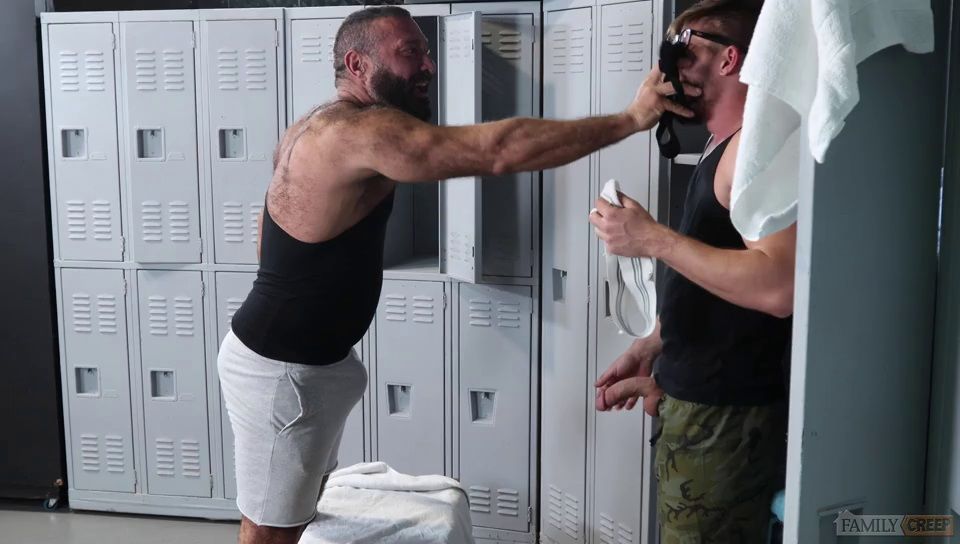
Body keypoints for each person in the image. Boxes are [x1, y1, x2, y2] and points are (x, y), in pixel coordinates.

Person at [217, 5, 698, 544]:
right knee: (270, 532)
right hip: (285, 371)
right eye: (409, 53)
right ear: (357, 64)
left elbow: (270, 222)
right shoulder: (359, 132)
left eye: (426, 52)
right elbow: (498, 151)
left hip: (306, 363)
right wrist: (630, 119)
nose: (427, 65)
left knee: (296, 513)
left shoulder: (315, 125)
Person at [589, 1, 795, 542]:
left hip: (724, 420)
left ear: (729, 59)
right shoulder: (718, 145)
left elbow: (778, 286)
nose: (671, 67)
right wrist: (653, 343)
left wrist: (651, 239)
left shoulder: (754, 149)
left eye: (684, 48)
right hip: (695, 407)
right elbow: (712, 270)